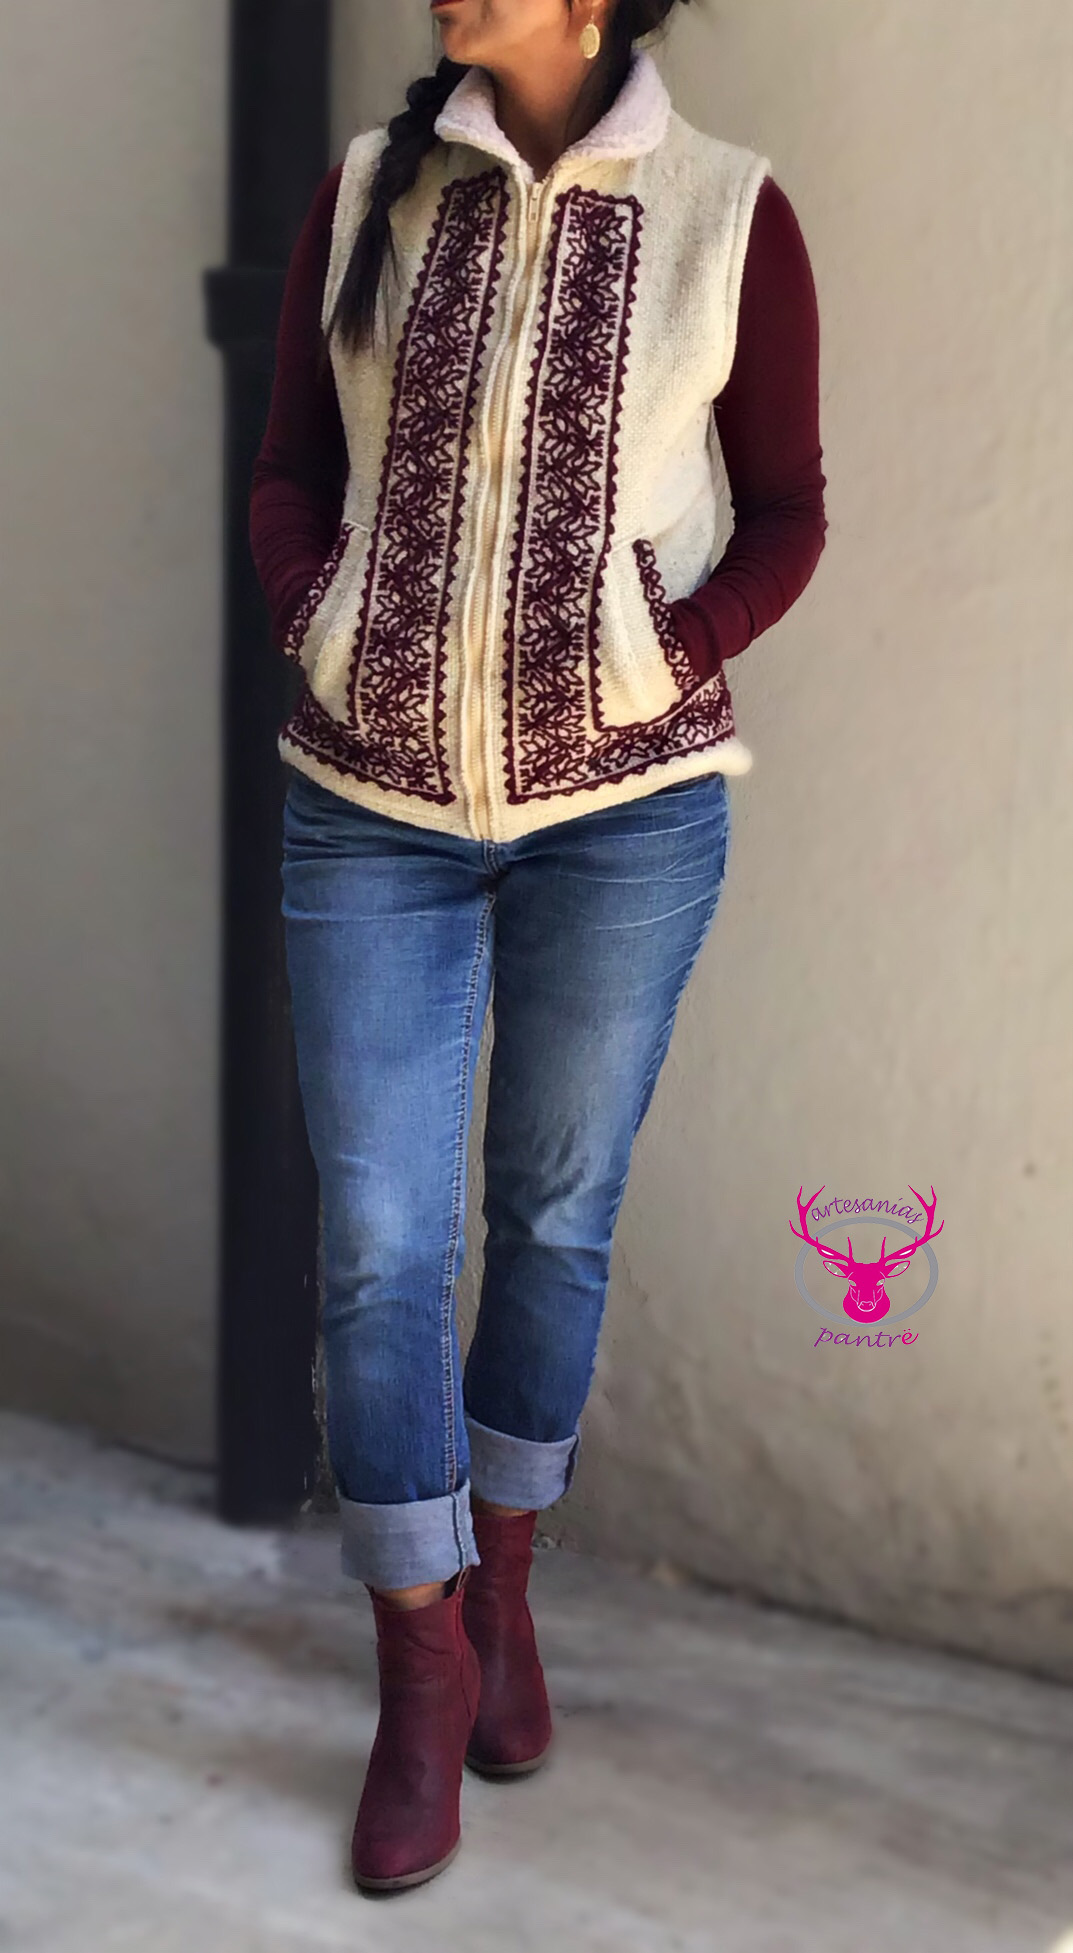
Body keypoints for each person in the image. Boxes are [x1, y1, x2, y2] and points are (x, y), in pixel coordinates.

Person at [249, 0, 826, 1897]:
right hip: (371, 804)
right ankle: (418, 1659)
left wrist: (670, 652)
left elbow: (789, 509)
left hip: (628, 815)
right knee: (377, 1238)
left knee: (557, 1210)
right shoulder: (371, 190)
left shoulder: (729, 213)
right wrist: (323, 621)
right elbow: (289, 469)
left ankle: (503, 1586)